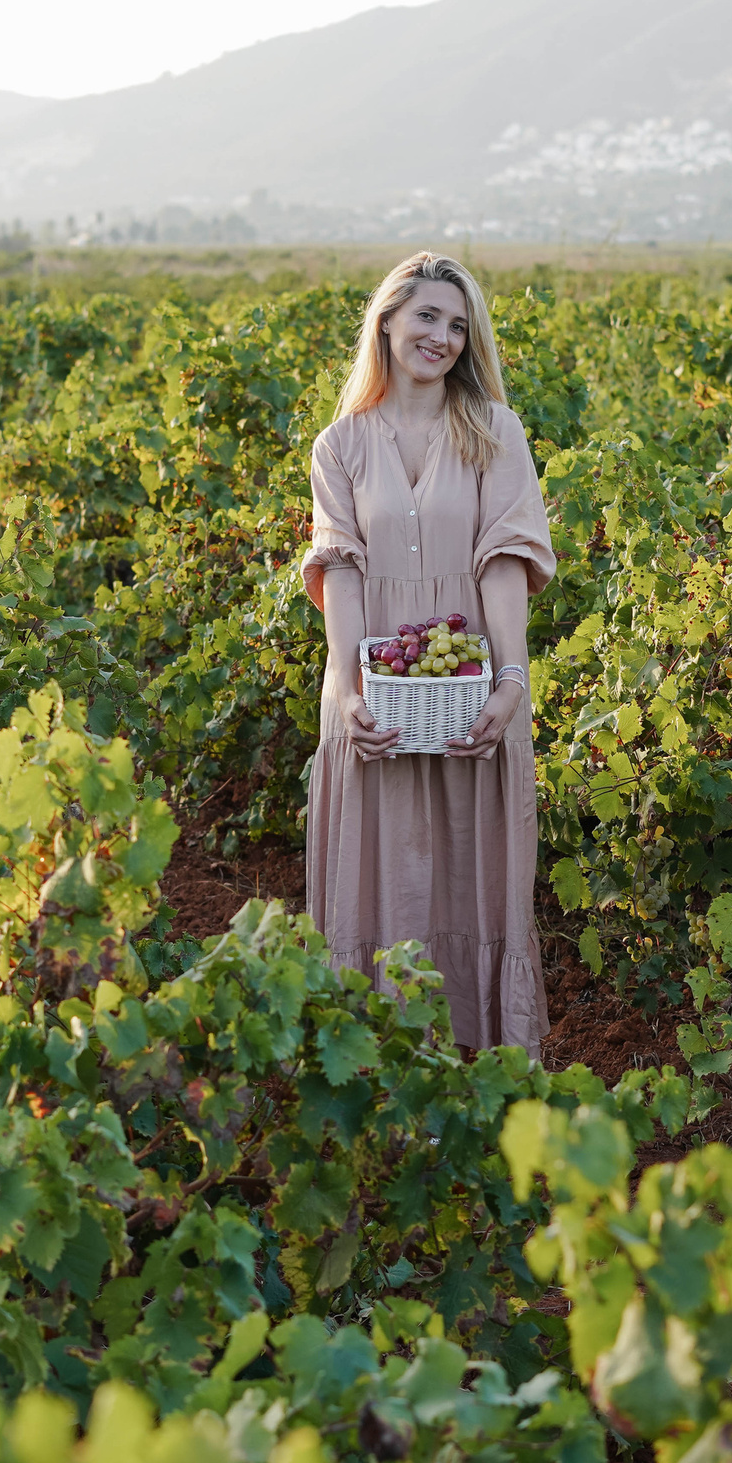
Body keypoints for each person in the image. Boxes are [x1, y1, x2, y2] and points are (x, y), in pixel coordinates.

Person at [299, 253, 554, 1053]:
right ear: (386, 322)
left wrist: (510, 678)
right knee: (381, 885)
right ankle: (375, 1082)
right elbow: (341, 570)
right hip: (372, 690)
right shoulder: (338, 446)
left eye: (457, 325)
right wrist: (346, 690)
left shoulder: (494, 432)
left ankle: (482, 1083)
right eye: (426, 318)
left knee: (472, 884)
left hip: (471, 689)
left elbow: (503, 561)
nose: (441, 338)